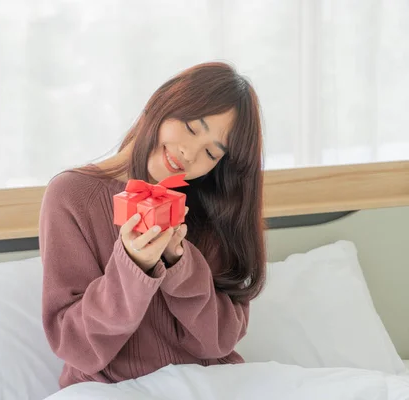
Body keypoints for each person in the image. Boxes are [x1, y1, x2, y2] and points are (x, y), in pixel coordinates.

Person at [38, 62, 267, 389]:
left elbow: (220, 340)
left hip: (211, 383)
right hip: (109, 389)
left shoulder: (211, 204)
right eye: (191, 128)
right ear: (162, 104)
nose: (190, 153)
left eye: (211, 152)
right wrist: (133, 267)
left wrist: (180, 266)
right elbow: (74, 344)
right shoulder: (71, 196)